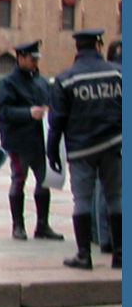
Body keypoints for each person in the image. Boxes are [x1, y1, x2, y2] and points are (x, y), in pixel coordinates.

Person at [47, 28, 122, 270]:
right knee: (116, 199)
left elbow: (56, 119)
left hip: (81, 150)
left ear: (77, 49)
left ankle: (84, 255)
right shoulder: (118, 73)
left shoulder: (66, 78)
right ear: (98, 45)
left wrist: (52, 151)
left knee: (82, 200)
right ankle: (120, 254)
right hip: (113, 145)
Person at [0, 40, 64, 241]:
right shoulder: (8, 83)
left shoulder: (41, 82)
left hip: (41, 140)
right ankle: (18, 226)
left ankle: (42, 225)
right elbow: (5, 111)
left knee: (45, 182)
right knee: (19, 180)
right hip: (20, 141)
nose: (35, 63)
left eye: (36, 59)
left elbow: (50, 103)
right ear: (21, 58)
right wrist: (28, 113)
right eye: (32, 59)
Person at [92, 38, 122, 253]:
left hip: (95, 139)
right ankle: (108, 239)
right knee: (109, 192)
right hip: (112, 139)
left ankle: (100, 235)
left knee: (99, 191)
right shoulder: (116, 75)